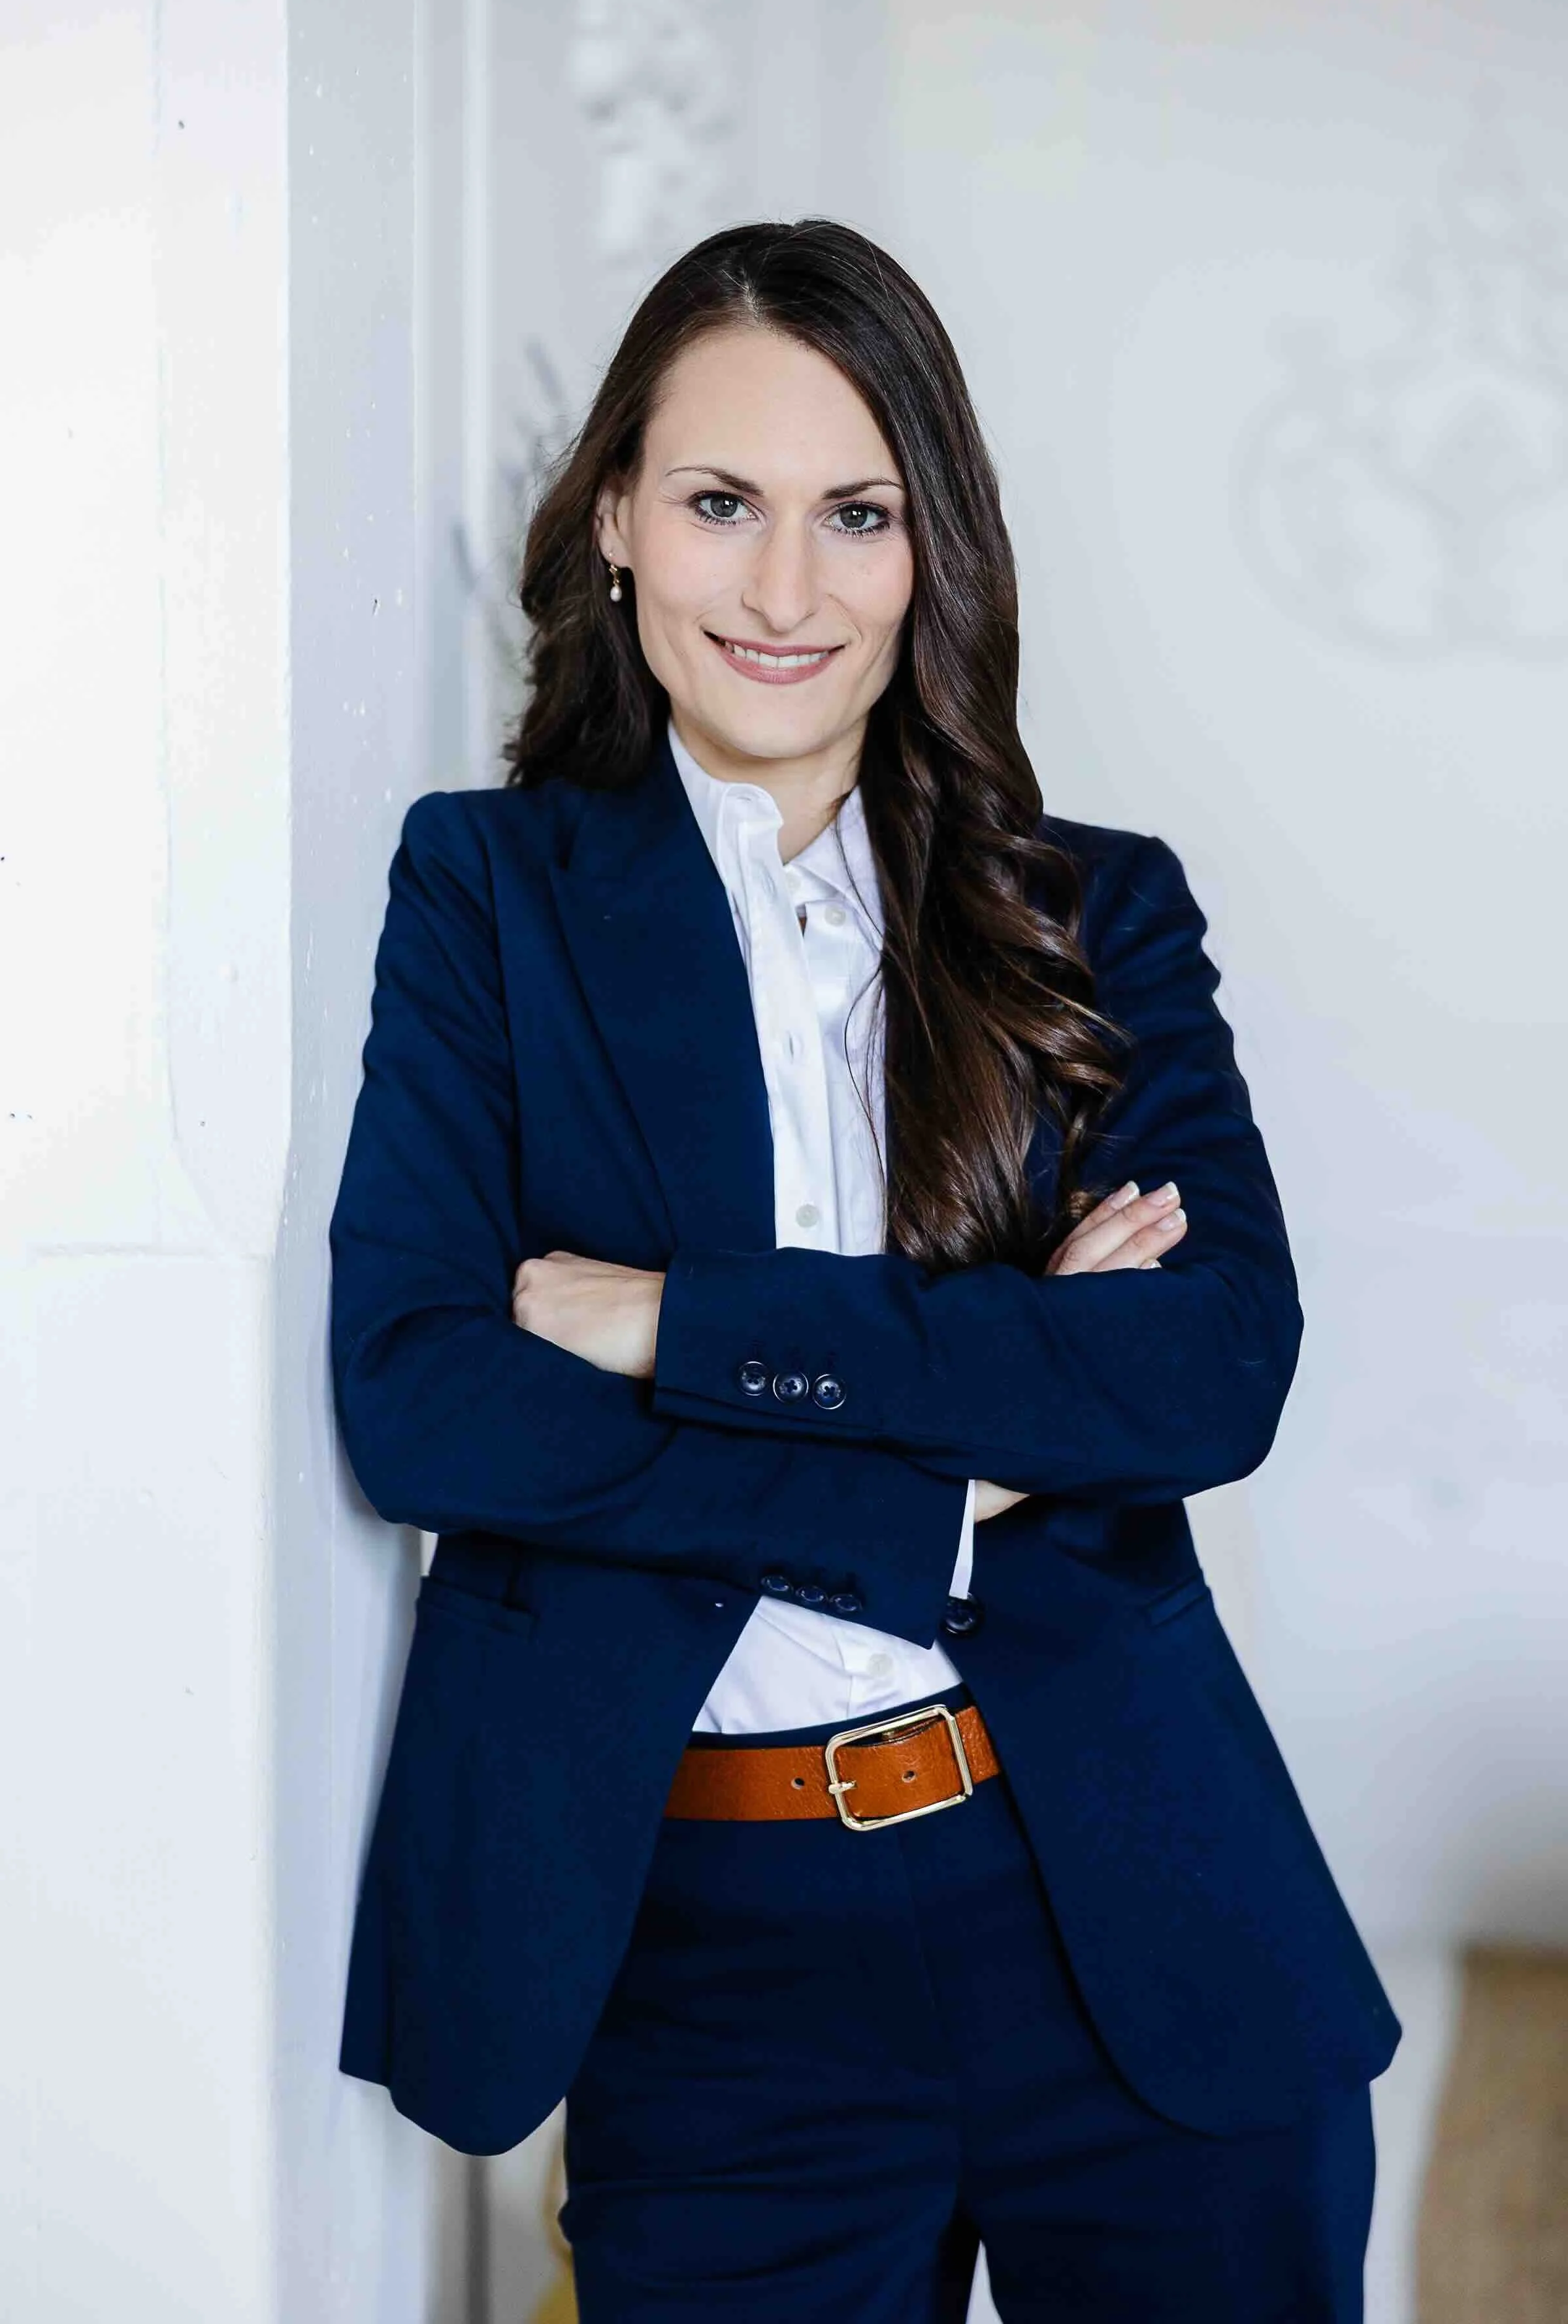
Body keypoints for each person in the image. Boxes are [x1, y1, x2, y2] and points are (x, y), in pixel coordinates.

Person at [328, 219, 1401, 2321]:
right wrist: (952, 1465)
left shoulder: (1097, 919)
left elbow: (1207, 1373)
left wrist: (683, 1325)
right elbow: (431, 1400)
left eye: (857, 514)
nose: (788, 592)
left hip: (1123, 1893)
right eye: (722, 504)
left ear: (937, 550)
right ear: (618, 517)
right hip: (708, 1959)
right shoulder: (490, 895)